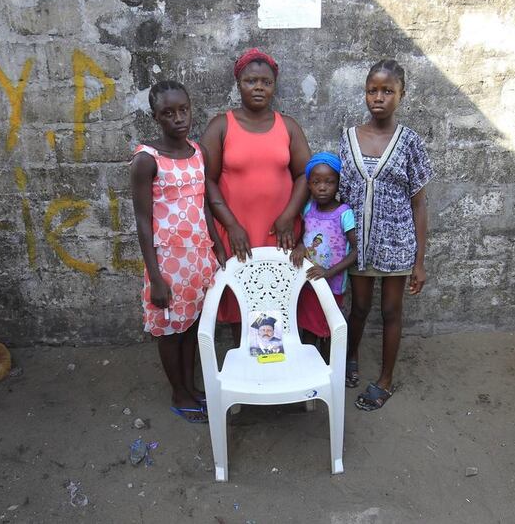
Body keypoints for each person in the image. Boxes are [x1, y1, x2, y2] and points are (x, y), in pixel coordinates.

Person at [338, 59, 434, 411]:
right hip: (359, 246)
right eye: (372, 90)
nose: (379, 97)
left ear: (401, 94)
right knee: (359, 308)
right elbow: (341, 196)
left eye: (387, 91)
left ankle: (385, 379)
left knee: (391, 311)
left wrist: (419, 262)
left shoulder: (409, 142)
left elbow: (419, 204)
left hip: (397, 247)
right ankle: (349, 358)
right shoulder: (349, 138)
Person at [130, 80, 226, 423]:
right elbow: (143, 222)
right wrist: (155, 277)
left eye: (183, 110)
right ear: (156, 118)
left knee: (191, 328)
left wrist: (217, 254)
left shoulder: (198, 152)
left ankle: (190, 386)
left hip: (199, 260)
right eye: (168, 113)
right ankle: (179, 393)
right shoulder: (146, 159)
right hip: (168, 264)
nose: (178, 118)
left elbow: (204, 207)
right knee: (171, 331)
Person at [201, 48, 311, 343]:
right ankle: (248, 366)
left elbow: (306, 174)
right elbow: (207, 181)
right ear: (239, 84)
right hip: (239, 232)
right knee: (242, 299)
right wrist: (231, 225)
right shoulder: (221, 126)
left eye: (266, 81)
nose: (259, 87)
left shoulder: (288, 126)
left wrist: (289, 215)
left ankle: (276, 363)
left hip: (280, 231)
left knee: (278, 298)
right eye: (251, 81)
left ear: (274, 85)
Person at [290, 153, 357, 362]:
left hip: (332, 285)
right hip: (309, 285)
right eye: (316, 182)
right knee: (309, 330)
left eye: (329, 182)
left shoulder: (344, 213)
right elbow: (304, 235)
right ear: (308, 185)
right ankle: (309, 370)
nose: (322, 187)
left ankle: (329, 372)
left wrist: (328, 272)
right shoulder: (308, 209)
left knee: (328, 332)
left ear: (338, 184)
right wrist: (300, 245)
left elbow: (356, 251)